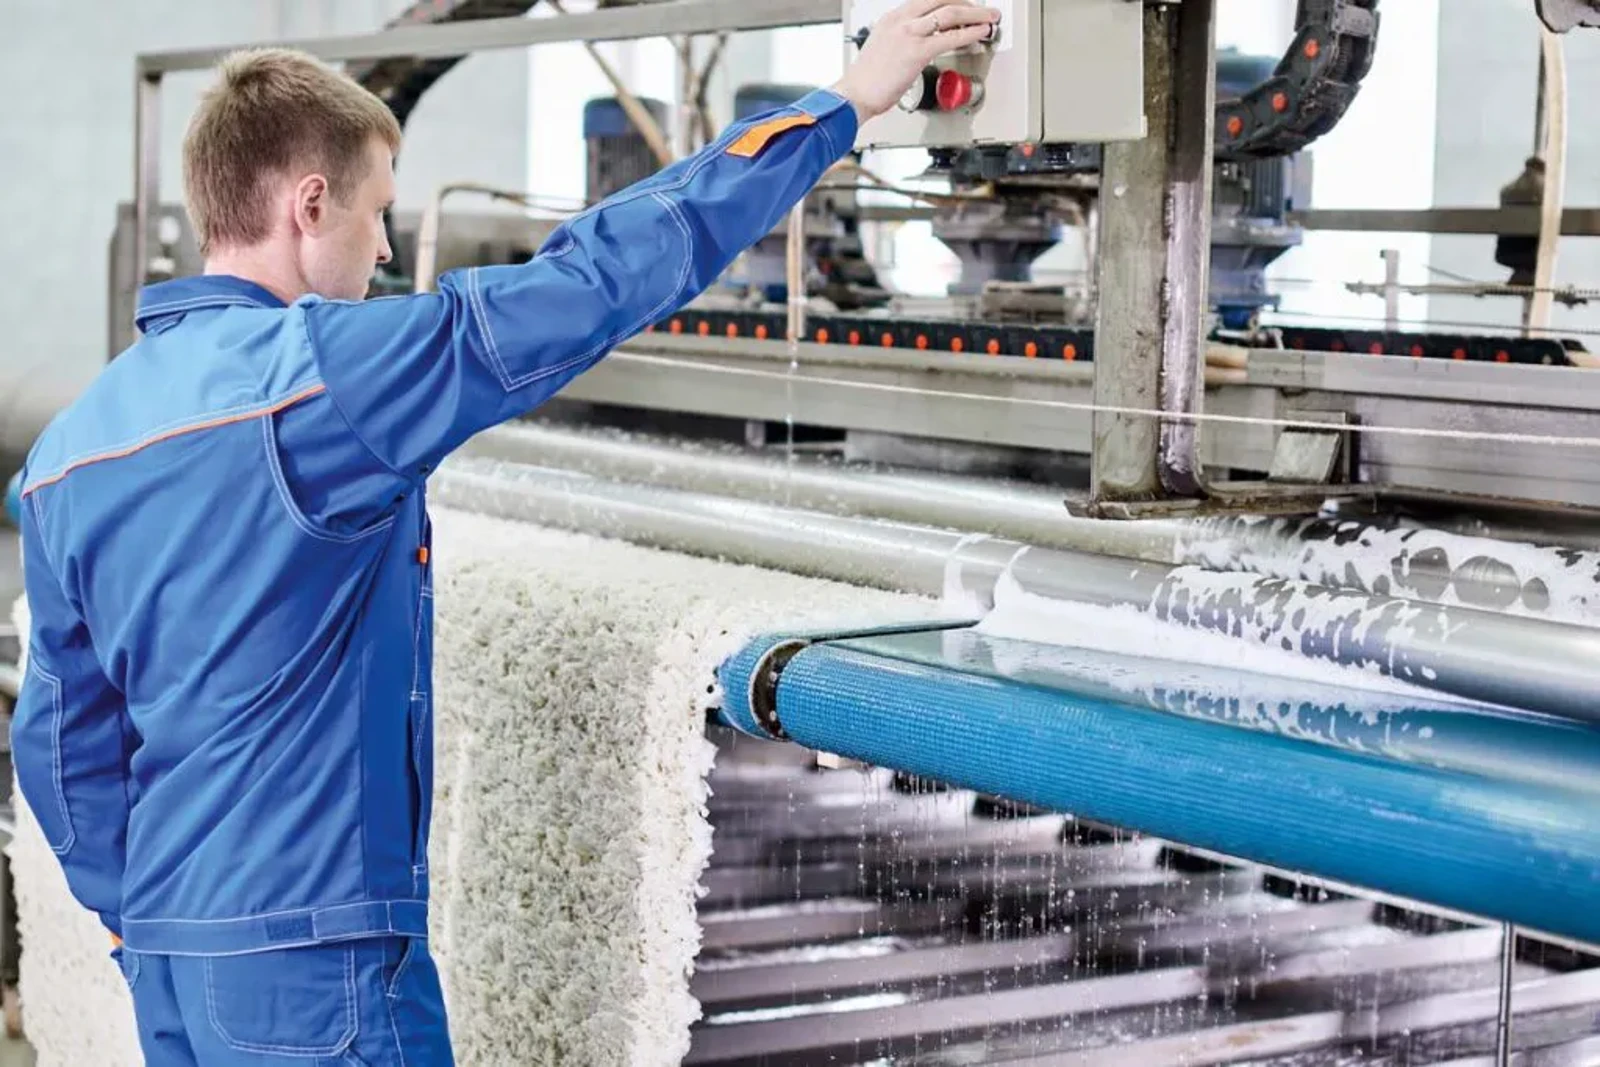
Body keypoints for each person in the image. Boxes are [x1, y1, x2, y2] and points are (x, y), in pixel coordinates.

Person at [9, 1, 1001, 1062]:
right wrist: (845, 103)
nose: (384, 246)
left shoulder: (71, 449)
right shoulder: (330, 380)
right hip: (318, 966)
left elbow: (61, 749)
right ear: (310, 203)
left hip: (171, 962)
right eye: (377, 212)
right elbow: (592, 279)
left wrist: (143, 919)